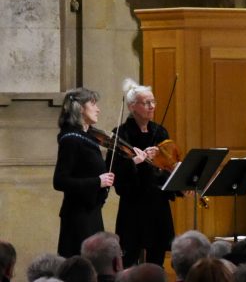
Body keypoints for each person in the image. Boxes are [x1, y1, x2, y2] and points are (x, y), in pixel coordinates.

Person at [53, 88, 143, 257]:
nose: (98, 109)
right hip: (78, 218)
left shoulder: (87, 137)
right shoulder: (71, 139)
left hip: (91, 213)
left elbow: (106, 174)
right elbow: (60, 181)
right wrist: (97, 182)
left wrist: (132, 162)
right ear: (80, 108)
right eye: (93, 104)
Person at [110, 79, 177, 267]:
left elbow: (170, 165)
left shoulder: (160, 131)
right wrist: (135, 162)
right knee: (129, 259)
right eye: (146, 102)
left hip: (158, 204)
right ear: (132, 107)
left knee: (157, 260)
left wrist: (160, 161)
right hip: (133, 206)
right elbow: (113, 171)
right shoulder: (121, 134)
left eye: (153, 101)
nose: (152, 106)